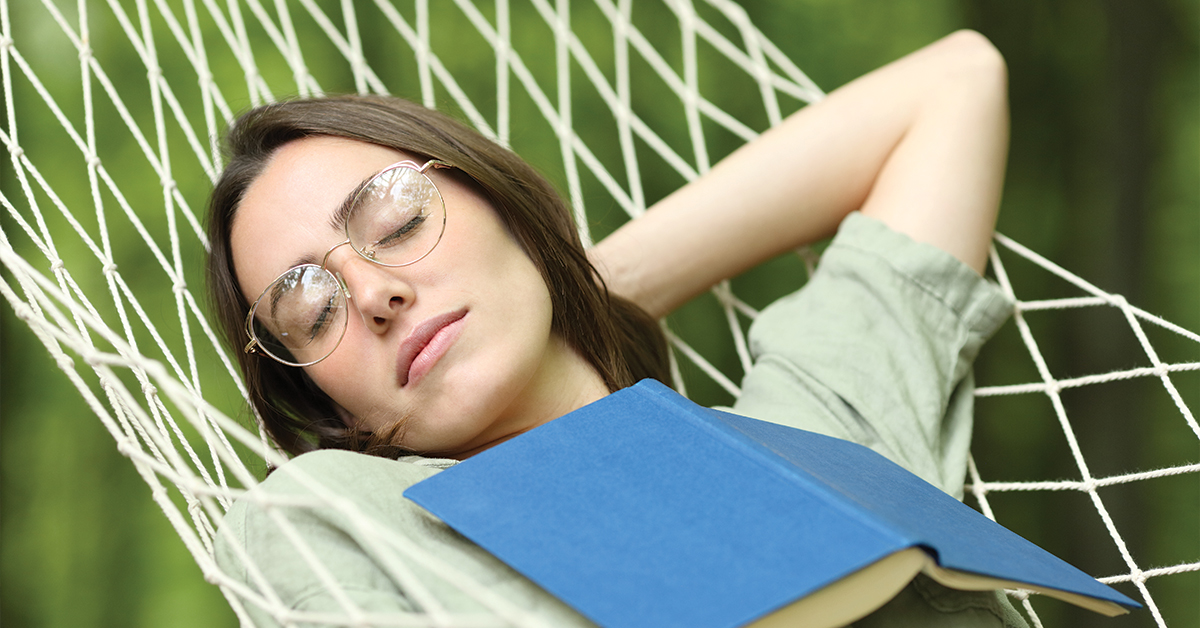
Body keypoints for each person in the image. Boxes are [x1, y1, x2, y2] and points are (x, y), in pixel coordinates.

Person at [209, 29, 1026, 628]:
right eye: (312, 309)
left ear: (496, 199)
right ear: (329, 405)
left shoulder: (812, 431)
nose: (376, 292)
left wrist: (581, 282)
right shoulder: (334, 515)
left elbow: (955, 86)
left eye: (393, 221)